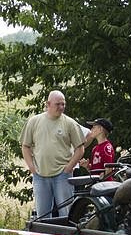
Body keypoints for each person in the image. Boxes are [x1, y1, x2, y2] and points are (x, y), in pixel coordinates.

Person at [19, 90, 85, 218]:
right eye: (57, 104)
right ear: (48, 104)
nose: (61, 107)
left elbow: (80, 148)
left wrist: (69, 167)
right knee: (42, 214)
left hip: (63, 174)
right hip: (40, 174)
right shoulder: (34, 121)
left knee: (66, 212)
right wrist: (32, 167)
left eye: (63, 104)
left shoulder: (70, 123)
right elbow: (25, 146)